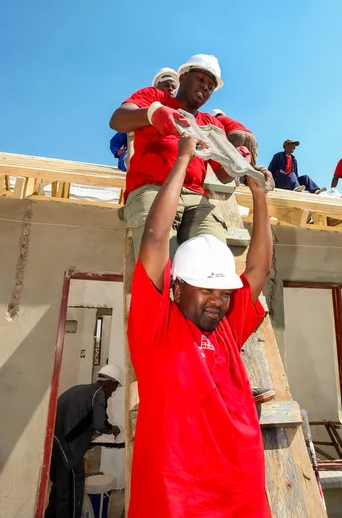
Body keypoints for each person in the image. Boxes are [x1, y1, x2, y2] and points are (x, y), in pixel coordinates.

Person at [127, 132, 273, 518]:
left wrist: (259, 195)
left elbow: (258, 269)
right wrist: (182, 159)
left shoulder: (226, 324)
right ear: (176, 287)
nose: (218, 300)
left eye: (223, 292)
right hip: (176, 494)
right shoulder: (155, 328)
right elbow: (157, 236)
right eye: (207, 289)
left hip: (242, 488)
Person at [109, 54, 240, 256]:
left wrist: (240, 162)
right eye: (201, 79)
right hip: (152, 189)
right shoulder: (156, 97)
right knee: (160, 260)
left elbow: (223, 175)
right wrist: (153, 114)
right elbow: (117, 120)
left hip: (196, 198)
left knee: (213, 259)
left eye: (211, 86)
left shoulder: (211, 124)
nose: (206, 87)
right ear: (182, 78)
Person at [45, 365, 122, 518]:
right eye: (113, 389)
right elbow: (100, 424)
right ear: (108, 383)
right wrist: (111, 429)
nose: (112, 394)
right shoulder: (99, 393)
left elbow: (88, 418)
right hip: (68, 450)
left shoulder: (80, 389)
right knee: (74, 488)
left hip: (53, 443)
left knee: (60, 488)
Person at [109, 68, 179, 171]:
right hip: (138, 160)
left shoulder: (177, 114)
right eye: (166, 85)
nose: (170, 89)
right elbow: (116, 138)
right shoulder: (141, 114)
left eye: (173, 87)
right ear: (156, 87)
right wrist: (117, 151)